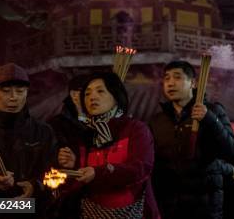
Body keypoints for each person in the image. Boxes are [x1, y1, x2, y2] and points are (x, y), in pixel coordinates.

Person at [57, 72, 159, 218]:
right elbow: (79, 180)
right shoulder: (86, 135)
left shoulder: (136, 129)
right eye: (87, 94)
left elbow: (141, 168)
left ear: (116, 96)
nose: (92, 97)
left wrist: (98, 172)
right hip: (92, 212)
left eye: (100, 91)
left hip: (132, 212)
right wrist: (73, 166)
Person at [148, 60, 234, 219]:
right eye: (167, 78)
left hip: (204, 204)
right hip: (170, 205)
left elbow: (231, 149)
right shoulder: (157, 120)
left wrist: (210, 119)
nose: (170, 83)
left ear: (193, 83)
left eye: (177, 77)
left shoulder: (212, 110)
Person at [0, 63, 56, 217]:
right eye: (6, 91)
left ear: (27, 93)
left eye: (20, 91)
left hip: (30, 209)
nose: (13, 97)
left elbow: (54, 171)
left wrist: (34, 186)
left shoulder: (43, 131)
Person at [47, 74, 89, 218]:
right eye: (87, 92)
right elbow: (48, 160)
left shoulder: (106, 124)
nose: (93, 97)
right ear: (74, 95)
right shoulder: (55, 125)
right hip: (68, 197)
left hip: (98, 193)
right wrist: (60, 159)